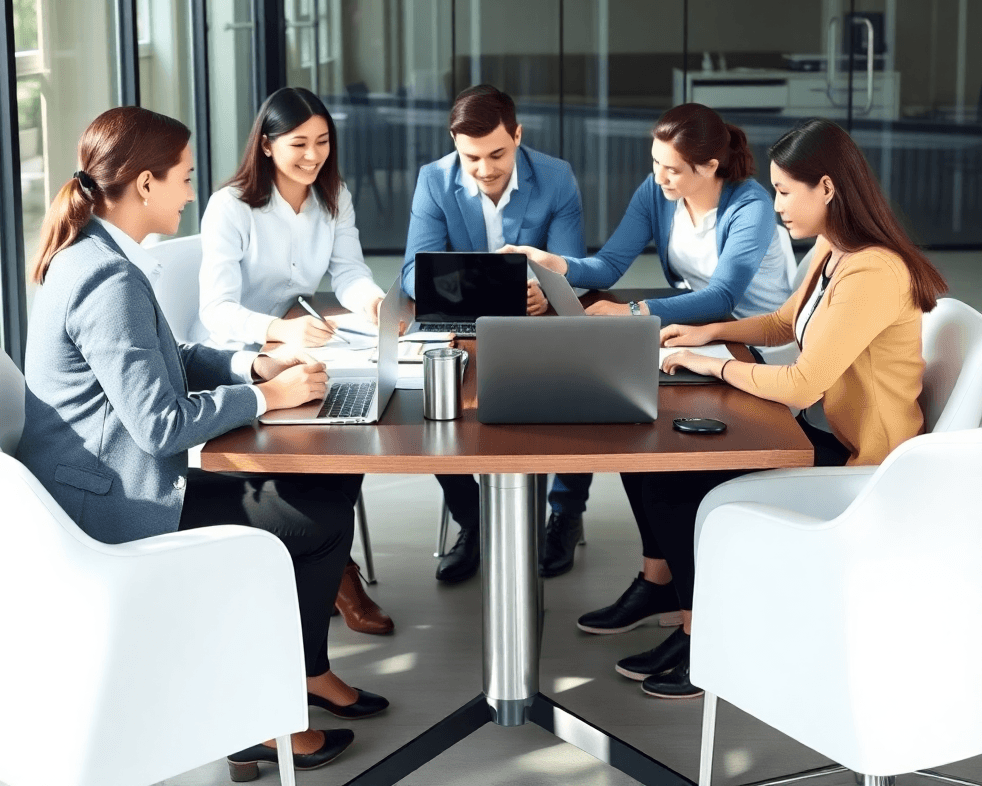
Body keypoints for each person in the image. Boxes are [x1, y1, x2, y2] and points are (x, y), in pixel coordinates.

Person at [17, 108, 390, 777]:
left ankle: (298, 679)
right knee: (318, 517)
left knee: (327, 488)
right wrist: (267, 399)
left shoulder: (104, 256)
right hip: (115, 504)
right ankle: (251, 717)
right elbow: (159, 424)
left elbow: (170, 354)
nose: (193, 192)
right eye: (184, 178)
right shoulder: (106, 278)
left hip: (115, 476)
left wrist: (254, 367)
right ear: (145, 184)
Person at [615, 118, 947, 698]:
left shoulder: (873, 269)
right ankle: (692, 621)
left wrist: (714, 364)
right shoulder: (834, 248)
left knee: (676, 483)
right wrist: (706, 329)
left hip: (861, 465)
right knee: (659, 465)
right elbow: (785, 322)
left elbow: (799, 385)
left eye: (785, 192)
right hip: (822, 435)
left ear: (827, 188)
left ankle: (704, 643)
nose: (775, 206)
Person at [504, 102, 792, 585]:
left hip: (753, 342)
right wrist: (557, 264)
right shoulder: (659, 192)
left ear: (710, 168)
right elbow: (612, 263)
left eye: (673, 169)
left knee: (645, 426)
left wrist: (632, 313)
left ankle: (665, 581)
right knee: (625, 409)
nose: (659, 176)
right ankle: (656, 579)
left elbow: (723, 295)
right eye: (655, 163)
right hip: (698, 333)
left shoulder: (750, 205)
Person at [199, 86, 394, 635]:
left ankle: (332, 559)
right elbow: (216, 312)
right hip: (238, 354)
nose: (314, 156)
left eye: (323, 142)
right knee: (324, 432)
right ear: (266, 145)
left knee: (357, 418)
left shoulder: (333, 197)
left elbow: (349, 271)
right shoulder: (230, 207)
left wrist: (373, 301)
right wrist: (279, 331)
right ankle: (335, 568)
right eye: (299, 144)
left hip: (298, 344)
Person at [403, 84, 585, 583]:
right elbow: (409, 274)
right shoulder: (435, 181)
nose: (484, 169)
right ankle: (474, 521)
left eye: (497, 154)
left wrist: (545, 291)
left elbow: (569, 266)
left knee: (580, 393)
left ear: (518, 135)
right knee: (438, 408)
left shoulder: (556, 178)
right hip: (467, 325)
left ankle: (566, 514)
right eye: (471, 157)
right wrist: (480, 290)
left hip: (538, 324)